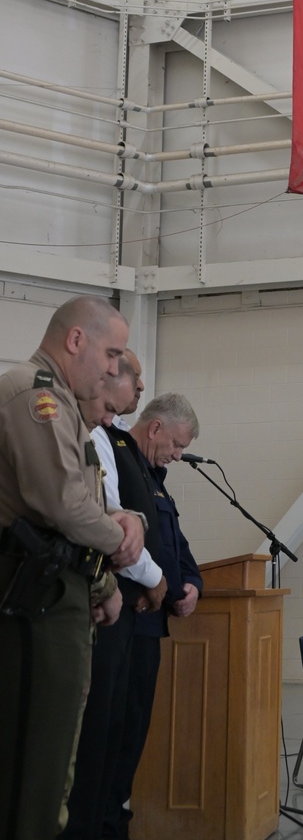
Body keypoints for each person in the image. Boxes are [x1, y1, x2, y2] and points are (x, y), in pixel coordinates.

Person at [0, 295, 144, 840]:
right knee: (34, 764)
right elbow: (63, 508)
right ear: (76, 341)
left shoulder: (63, 407)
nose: (115, 367)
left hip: (61, 593)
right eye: (111, 353)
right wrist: (120, 543)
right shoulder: (35, 398)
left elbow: (89, 503)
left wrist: (122, 523)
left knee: (53, 757)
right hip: (32, 597)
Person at [65, 355, 167, 840]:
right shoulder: (89, 432)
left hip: (124, 600)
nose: (142, 387)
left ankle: (105, 824)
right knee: (92, 732)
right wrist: (152, 577)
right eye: (134, 378)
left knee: (118, 730)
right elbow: (100, 517)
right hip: (98, 597)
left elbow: (134, 518)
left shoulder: (116, 437)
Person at [103, 393, 204, 839]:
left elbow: (175, 543)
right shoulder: (120, 462)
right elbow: (122, 538)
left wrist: (193, 585)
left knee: (132, 734)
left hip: (149, 626)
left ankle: (115, 820)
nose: (179, 456)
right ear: (157, 428)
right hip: (123, 615)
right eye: (177, 445)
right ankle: (102, 824)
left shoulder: (155, 478)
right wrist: (156, 582)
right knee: (110, 731)